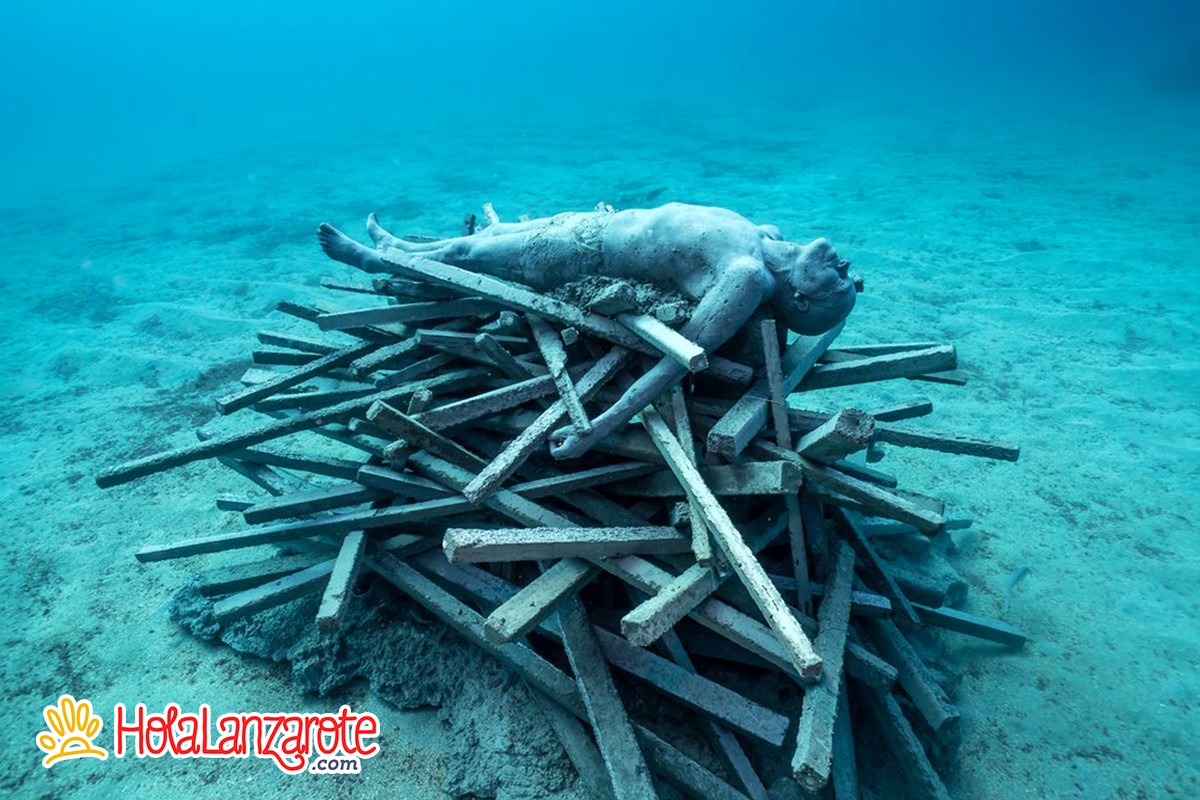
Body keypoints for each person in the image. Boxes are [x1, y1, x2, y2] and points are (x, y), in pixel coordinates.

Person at [318, 202, 856, 459]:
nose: (846, 267)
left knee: (469, 253)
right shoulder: (768, 237)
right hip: (600, 224)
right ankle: (405, 248)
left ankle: (377, 261)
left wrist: (594, 429)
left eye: (841, 283)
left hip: (582, 255)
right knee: (498, 233)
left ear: (802, 297)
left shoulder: (746, 277)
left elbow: (680, 359)